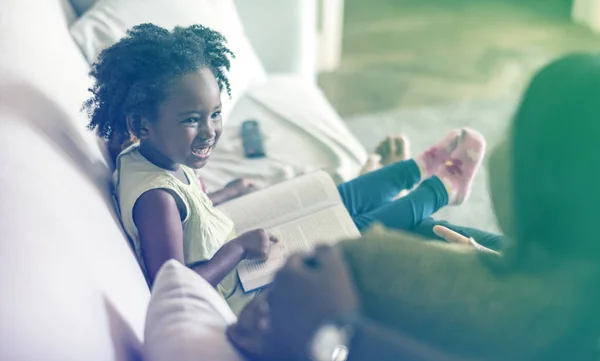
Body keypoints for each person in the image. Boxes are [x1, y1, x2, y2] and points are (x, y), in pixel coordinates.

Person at [228, 53, 600, 361]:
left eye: (513, 131)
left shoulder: (373, 267)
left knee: (361, 215)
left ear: (543, 179)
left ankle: (429, 187)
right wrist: (484, 255)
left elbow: (262, 329)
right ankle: (424, 187)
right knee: (429, 225)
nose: (502, 148)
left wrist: (350, 342)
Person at [83, 23, 493, 312]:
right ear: (141, 124)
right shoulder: (155, 198)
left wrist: (224, 194)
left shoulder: (150, 153)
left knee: (335, 197)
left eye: (215, 113)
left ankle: (416, 169)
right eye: (192, 119)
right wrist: (238, 248)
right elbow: (171, 287)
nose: (210, 131)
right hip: (245, 286)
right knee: (359, 228)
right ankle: (442, 188)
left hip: (231, 235)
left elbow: (188, 210)